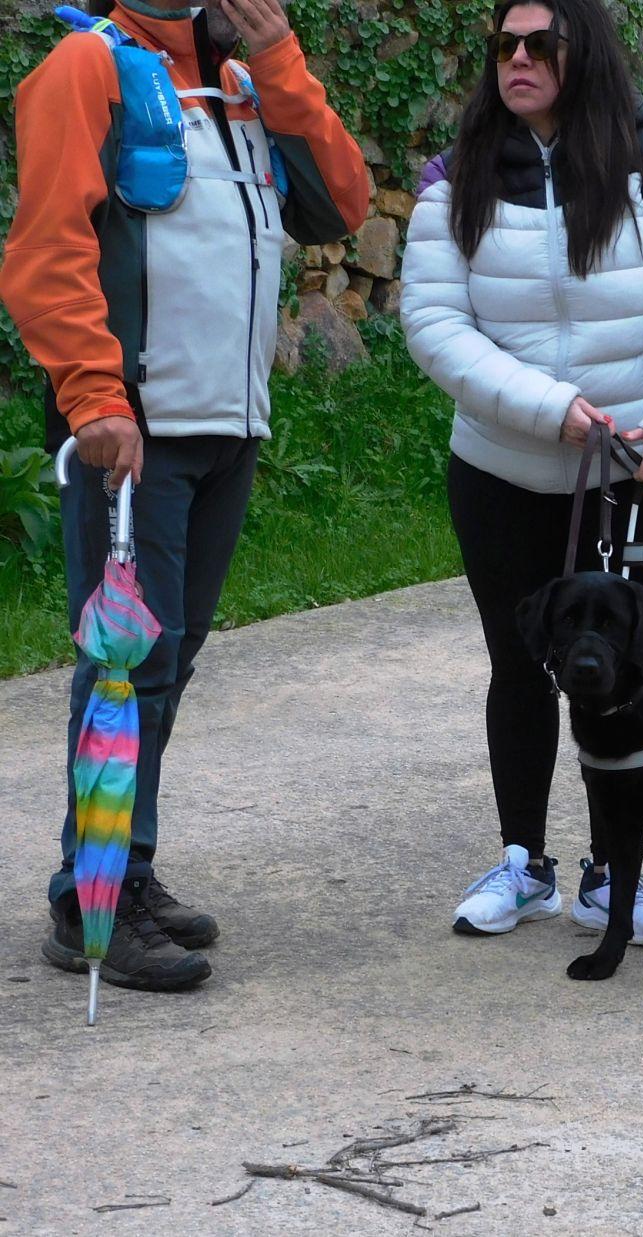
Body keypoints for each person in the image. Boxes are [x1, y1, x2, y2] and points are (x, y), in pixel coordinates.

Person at [0, 0, 367, 993]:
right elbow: (46, 246)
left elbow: (340, 203)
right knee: (128, 662)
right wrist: (89, 393)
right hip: (137, 433)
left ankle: (119, 866)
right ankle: (94, 905)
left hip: (228, 427)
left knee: (170, 658)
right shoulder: (88, 67)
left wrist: (281, 58)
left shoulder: (245, 82)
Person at [400, 0, 643, 942]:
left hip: (641, 474)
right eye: (503, 45)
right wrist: (545, 409)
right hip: (502, 471)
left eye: (538, 45)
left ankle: (617, 871)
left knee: (637, 669)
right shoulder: (455, 181)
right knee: (520, 665)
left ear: (582, 54)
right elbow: (435, 326)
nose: (516, 59)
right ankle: (523, 862)